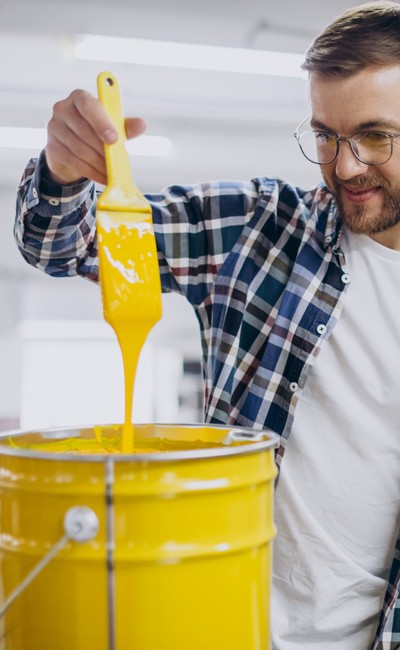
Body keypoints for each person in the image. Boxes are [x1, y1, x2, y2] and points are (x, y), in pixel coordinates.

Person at [14, 1, 400, 648]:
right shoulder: (258, 230)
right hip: (210, 623)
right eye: (326, 136)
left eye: (375, 135)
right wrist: (62, 173)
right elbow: (62, 245)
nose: (343, 167)